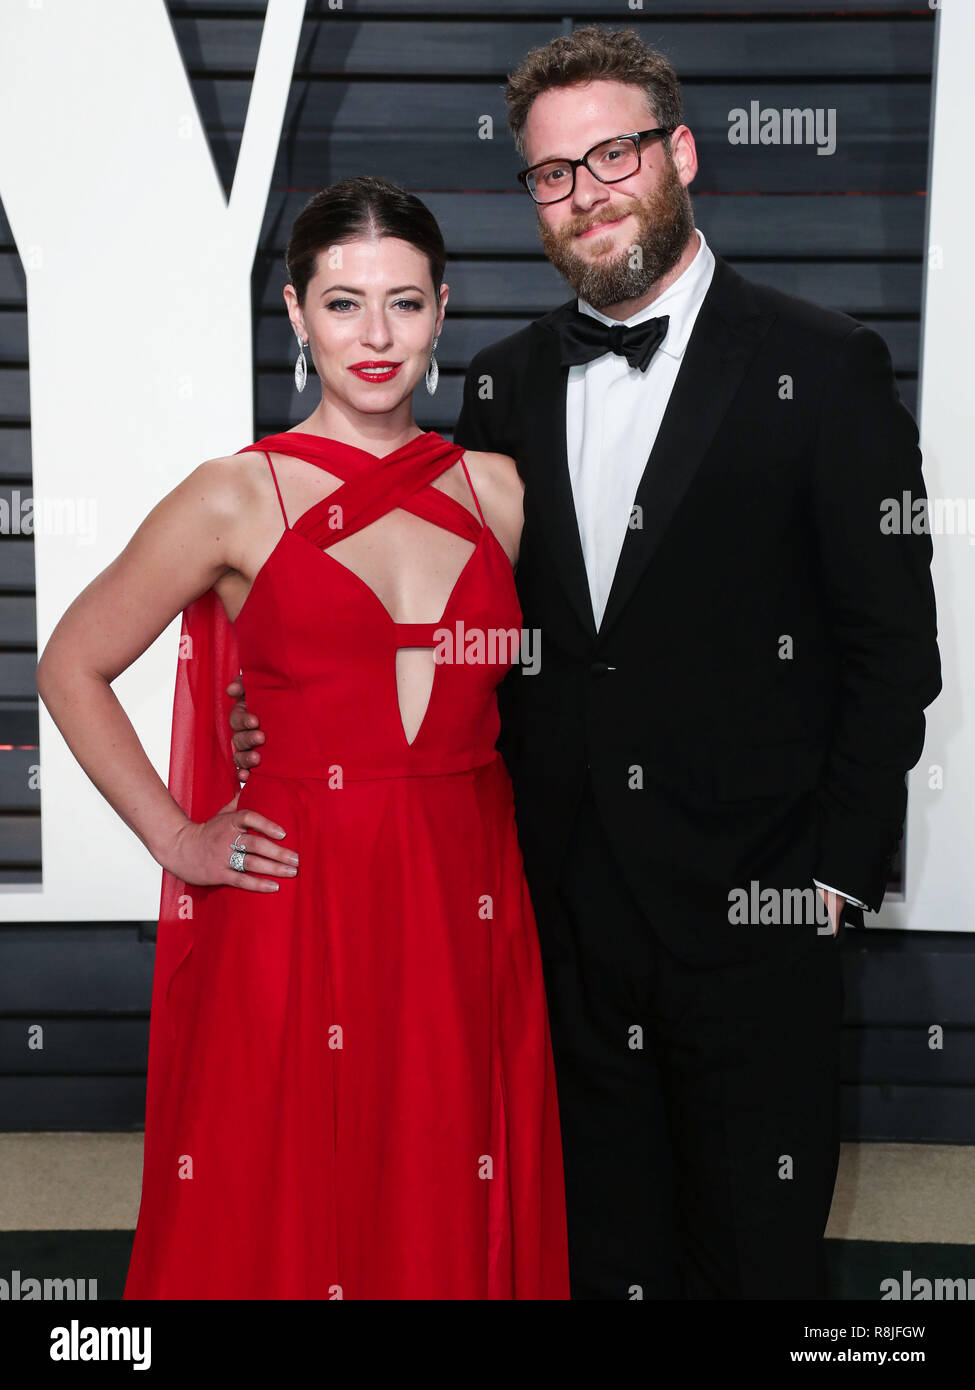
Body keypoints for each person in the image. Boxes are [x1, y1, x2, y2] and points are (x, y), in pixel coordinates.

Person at [235, 31, 943, 1301]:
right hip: (556, 915)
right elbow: (470, 634)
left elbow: (897, 652)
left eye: (611, 155)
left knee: (752, 1260)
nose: (587, 191)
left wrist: (831, 878)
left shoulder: (826, 365)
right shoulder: (504, 386)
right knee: (596, 1253)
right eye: (552, 174)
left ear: (678, 155)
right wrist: (278, 720)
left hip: (758, 912)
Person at [34, 174, 570, 1300]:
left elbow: (570, 695)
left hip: (462, 892)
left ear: (443, 309)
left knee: (441, 1180)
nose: (375, 337)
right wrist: (179, 839)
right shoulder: (234, 494)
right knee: (286, 1192)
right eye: (343, 303)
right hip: (299, 896)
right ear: (293, 310)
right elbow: (71, 663)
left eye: (405, 303)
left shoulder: (503, 492)